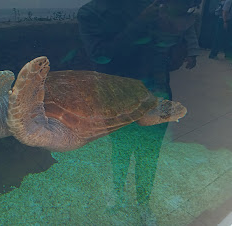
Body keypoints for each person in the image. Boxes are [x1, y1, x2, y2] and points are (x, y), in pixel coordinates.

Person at [77, 0, 200, 224]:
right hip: (118, 97)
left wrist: (179, 44)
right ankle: (118, 194)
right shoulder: (90, 12)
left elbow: (166, 49)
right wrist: (141, 22)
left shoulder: (149, 5)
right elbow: (101, 55)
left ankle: (143, 202)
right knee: (121, 149)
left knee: (149, 154)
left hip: (155, 91)